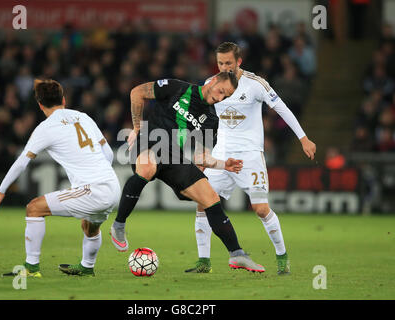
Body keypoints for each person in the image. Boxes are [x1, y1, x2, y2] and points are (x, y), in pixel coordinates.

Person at [110, 71, 266, 272]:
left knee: (210, 197)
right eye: (221, 91)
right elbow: (137, 92)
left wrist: (222, 164)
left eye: (225, 97)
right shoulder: (177, 87)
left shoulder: (211, 119)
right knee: (148, 166)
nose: (219, 98)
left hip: (173, 156)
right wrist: (137, 128)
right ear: (215, 80)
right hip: (148, 141)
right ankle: (119, 225)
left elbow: (202, 158)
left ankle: (237, 255)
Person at [185, 42, 316, 275]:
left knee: (261, 208)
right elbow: (201, 117)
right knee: (203, 203)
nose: (224, 67)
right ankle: (203, 261)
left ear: (239, 62)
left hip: (250, 157)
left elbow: (282, 108)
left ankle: (282, 256)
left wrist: (303, 138)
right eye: (220, 63)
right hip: (221, 155)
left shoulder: (255, 84)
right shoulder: (210, 84)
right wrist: (201, 149)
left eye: (229, 63)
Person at [0, 79, 120, 277]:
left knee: (34, 208)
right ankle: (87, 268)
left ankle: (31, 268)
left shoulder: (45, 128)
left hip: (93, 189)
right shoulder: (83, 117)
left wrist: (1, 190)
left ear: (40, 104)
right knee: (89, 226)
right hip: (112, 186)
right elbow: (109, 154)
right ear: (63, 99)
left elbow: (21, 163)